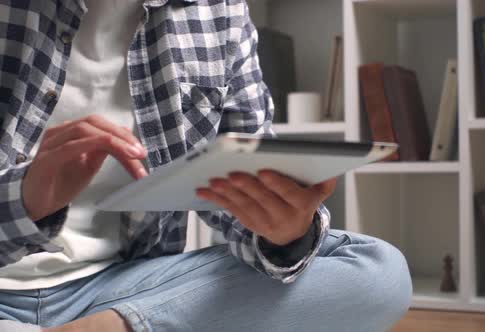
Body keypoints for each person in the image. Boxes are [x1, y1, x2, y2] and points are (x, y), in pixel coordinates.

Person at [0, 0, 412, 331]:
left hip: (119, 290)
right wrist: (23, 201)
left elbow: (240, 179)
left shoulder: (220, 12)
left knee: (377, 271)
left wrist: (283, 233)